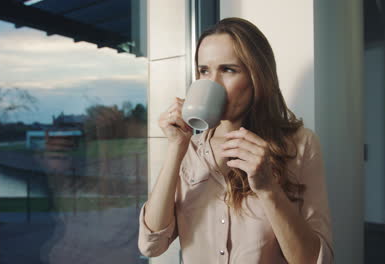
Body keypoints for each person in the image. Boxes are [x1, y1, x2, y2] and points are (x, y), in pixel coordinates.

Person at [138, 17, 334, 264]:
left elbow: (316, 261)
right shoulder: (189, 148)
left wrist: (268, 189)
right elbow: (151, 245)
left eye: (228, 70)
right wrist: (176, 149)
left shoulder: (301, 145)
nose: (212, 83)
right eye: (204, 71)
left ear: (257, 77)